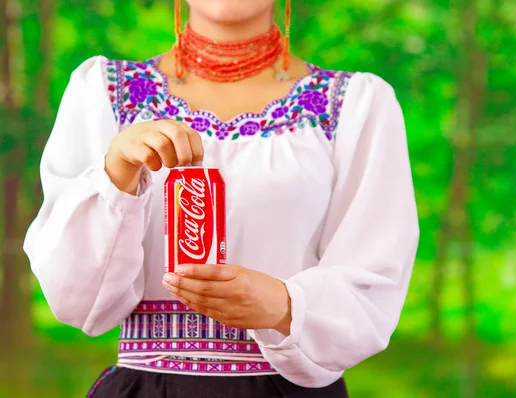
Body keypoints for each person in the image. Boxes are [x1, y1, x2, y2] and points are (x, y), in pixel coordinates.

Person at [23, 0, 419, 396]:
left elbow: (374, 280)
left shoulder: (355, 104)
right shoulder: (105, 92)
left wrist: (283, 304)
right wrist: (117, 173)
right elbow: (77, 303)